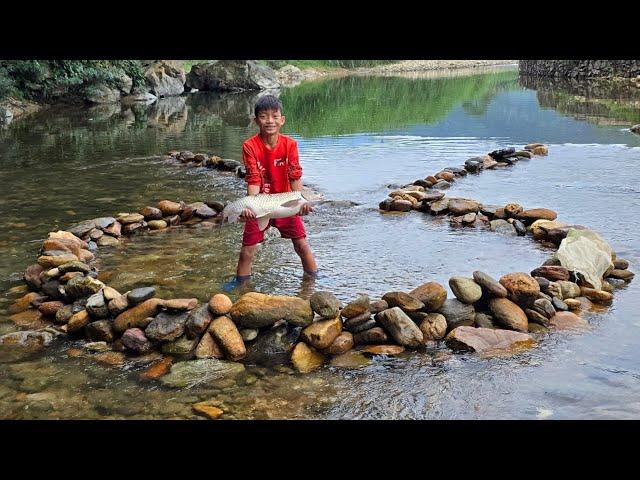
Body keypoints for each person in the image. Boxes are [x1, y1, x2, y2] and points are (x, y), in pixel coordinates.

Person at [223, 95, 318, 290]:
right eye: (264, 116)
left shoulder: (290, 144)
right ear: (256, 120)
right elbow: (254, 177)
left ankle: (314, 282)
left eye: (275, 116)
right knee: (247, 251)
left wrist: (299, 202)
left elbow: (295, 174)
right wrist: (250, 205)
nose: (270, 121)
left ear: (282, 120)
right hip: (261, 203)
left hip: (284, 203)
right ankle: (241, 286)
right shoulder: (250, 146)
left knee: (301, 245)